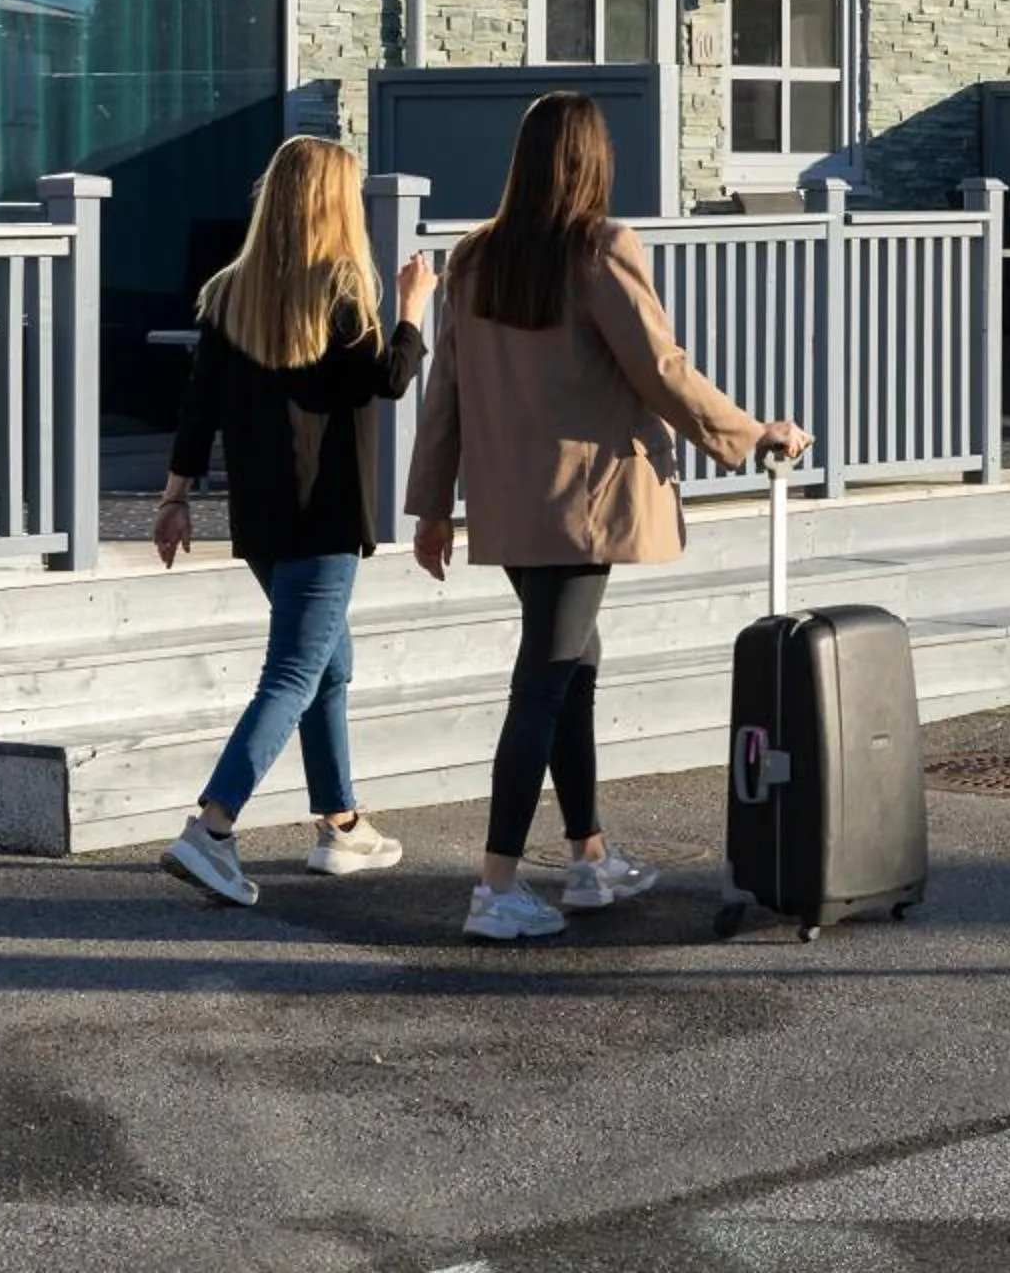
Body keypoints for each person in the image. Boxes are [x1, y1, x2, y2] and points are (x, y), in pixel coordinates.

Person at [406, 93, 811, 942]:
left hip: (511, 505)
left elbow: (444, 391)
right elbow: (659, 368)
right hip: (584, 503)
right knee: (546, 684)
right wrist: (751, 433)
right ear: (591, 160)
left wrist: (433, 505)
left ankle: (588, 857)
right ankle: (496, 886)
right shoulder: (598, 249)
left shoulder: (473, 257)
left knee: (574, 669)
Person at [154, 135, 437, 908]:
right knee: (292, 674)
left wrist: (175, 496)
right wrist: (412, 309)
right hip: (325, 516)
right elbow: (386, 381)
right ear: (333, 203)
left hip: (263, 517)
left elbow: (198, 406)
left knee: (329, 666)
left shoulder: (230, 292)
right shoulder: (343, 289)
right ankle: (211, 828)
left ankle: (341, 823)